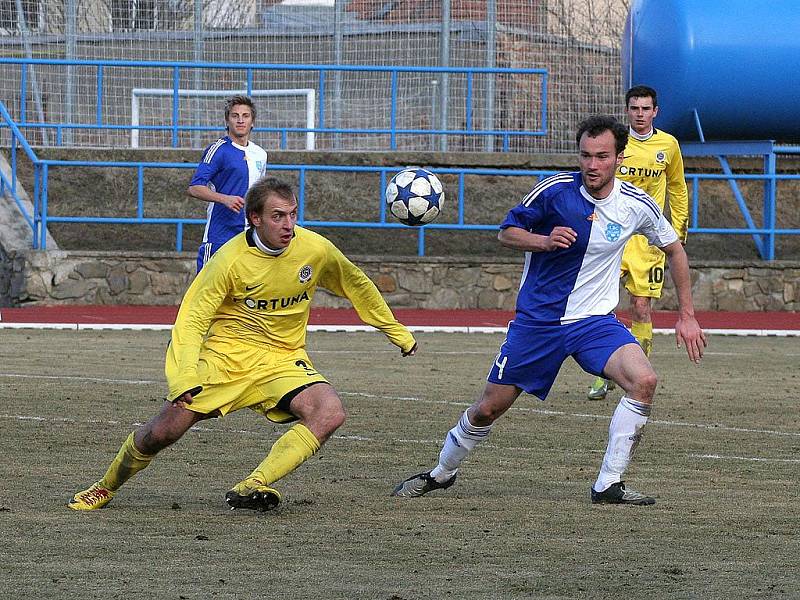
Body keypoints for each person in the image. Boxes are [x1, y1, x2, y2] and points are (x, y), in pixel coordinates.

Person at [391, 115, 705, 505]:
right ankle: (442, 472)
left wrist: (687, 314)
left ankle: (609, 484)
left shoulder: (636, 205)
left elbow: (674, 249)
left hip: (593, 323)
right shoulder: (555, 191)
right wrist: (543, 240)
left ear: (620, 158)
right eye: (586, 156)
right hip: (540, 321)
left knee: (644, 381)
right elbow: (507, 232)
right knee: (489, 409)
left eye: (602, 156)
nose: (592, 165)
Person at [69, 177, 418, 512]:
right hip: (226, 359)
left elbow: (356, 284)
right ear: (255, 218)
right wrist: (183, 376)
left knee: (329, 412)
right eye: (278, 216)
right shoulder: (229, 260)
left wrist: (396, 331)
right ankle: (105, 486)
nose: (288, 224)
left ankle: (253, 484)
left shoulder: (315, 249)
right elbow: (192, 319)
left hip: (282, 360)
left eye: (293, 214)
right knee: (163, 432)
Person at [588, 85, 689, 400]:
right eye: (635, 108)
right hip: (611, 236)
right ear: (627, 110)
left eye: (646, 109)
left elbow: (678, 187)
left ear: (655, 111)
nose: (640, 114)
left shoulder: (668, 146)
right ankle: (602, 372)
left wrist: (678, 232)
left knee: (641, 306)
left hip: (648, 241)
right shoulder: (616, 144)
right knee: (600, 305)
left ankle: (634, 370)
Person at [188, 94, 268, 272]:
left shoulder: (260, 154)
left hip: (250, 235)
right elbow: (194, 187)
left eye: (245, 116)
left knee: (246, 294)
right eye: (235, 116)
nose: (240, 120)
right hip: (220, 234)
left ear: (252, 121)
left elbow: (261, 193)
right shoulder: (218, 150)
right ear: (227, 120)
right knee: (207, 294)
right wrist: (225, 199)